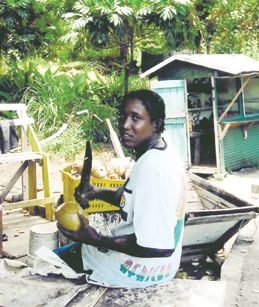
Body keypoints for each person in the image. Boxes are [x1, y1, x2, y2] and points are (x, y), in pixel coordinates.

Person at [57, 89, 186, 288]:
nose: (125, 125)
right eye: (123, 116)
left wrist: (96, 239)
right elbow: (131, 197)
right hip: (157, 266)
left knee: (49, 262)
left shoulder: (153, 168)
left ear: (156, 124)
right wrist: (96, 193)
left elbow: (158, 247)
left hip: (136, 270)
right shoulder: (161, 147)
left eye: (136, 118)